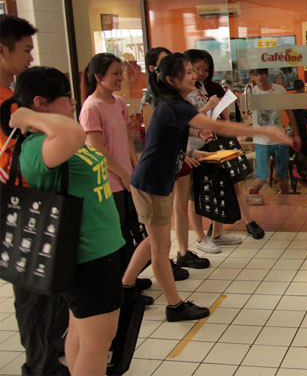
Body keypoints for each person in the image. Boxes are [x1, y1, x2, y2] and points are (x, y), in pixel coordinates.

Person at [121, 53, 290, 322]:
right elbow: (217, 125)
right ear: (171, 80)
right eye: (188, 72)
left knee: (153, 241)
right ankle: (174, 306)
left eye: (193, 71)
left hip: (153, 182)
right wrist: (266, 132)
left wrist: (192, 152)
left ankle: (126, 287)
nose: (194, 76)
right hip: (151, 185)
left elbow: (164, 141)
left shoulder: (172, 104)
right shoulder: (175, 105)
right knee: (160, 249)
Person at [3, 66, 125, 374]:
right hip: (88, 256)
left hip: (97, 252)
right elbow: (74, 132)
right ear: (40, 103)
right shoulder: (37, 146)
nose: (73, 103)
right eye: (66, 97)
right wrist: (25, 117)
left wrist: (32, 117)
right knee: (97, 345)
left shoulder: (50, 139)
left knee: (82, 335)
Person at [0, 15, 71, 376]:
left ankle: (52, 353)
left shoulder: (15, 99)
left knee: (49, 287)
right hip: (20, 208)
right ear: (2, 50)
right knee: (34, 291)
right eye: (25, 49)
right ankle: (40, 366)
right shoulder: (10, 108)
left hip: (39, 205)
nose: (30, 57)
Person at [79, 52, 154, 304]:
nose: (120, 78)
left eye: (121, 73)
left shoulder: (119, 103)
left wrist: (135, 168)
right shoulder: (91, 107)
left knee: (131, 230)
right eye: (115, 73)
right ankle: (121, 286)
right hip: (108, 183)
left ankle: (129, 276)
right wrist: (122, 174)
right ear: (98, 77)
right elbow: (97, 149)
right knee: (117, 234)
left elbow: (127, 140)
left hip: (127, 179)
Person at [185, 49, 265, 245]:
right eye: (196, 69)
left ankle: (223, 230)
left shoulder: (208, 88)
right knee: (195, 194)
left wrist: (225, 125)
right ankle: (203, 236)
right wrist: (208, 109)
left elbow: (224, 118)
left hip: (215, 143)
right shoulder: (184, 92)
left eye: (205, 69)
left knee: (226, 184)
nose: (200, 73)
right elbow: (187, 120)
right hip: (193, 148)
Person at [139, 46, 194, 280]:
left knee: (179, 208)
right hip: (159, 170)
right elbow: (157, 136)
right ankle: (163, 268)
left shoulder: (175, 99)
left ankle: (183, 252)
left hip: (176, 161)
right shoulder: (155, 100)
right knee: (158, 236)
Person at [247, 68, 300, 194]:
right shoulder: (250, 92)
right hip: (261, 141)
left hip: (279, 140)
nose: (259, 77)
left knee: (282, 175)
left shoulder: (279, 90)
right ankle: (254, 194)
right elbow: (246, 111)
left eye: (261, 74)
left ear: (267, 74)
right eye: (256, 75)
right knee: (262, 175)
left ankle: (285, 201)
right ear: (252, 77)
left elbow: (289, 113)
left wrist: (296, 135)